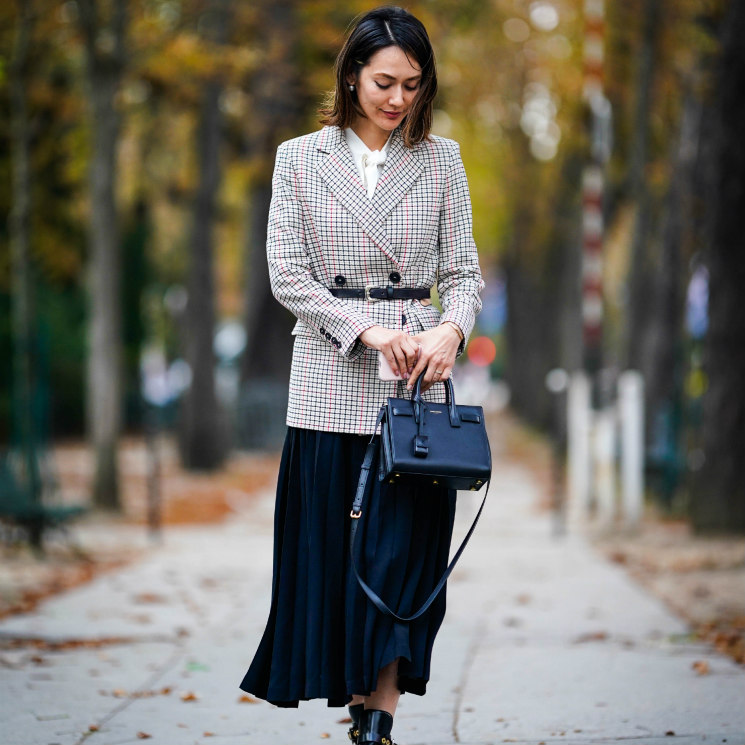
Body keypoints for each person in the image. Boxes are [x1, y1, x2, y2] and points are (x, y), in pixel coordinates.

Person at [240, 7, 484, 745]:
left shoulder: (441, 160)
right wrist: (366, 329)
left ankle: (379, 714)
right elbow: (287, 275)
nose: (398, 99)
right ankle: (354, 696)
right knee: (337, 555)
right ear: (352, 75)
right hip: (328, 377)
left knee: (403, 555)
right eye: (384, 81)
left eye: (413, 84)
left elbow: (463, 272)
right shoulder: (298, 160)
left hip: (412, 393)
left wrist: (450, 327)